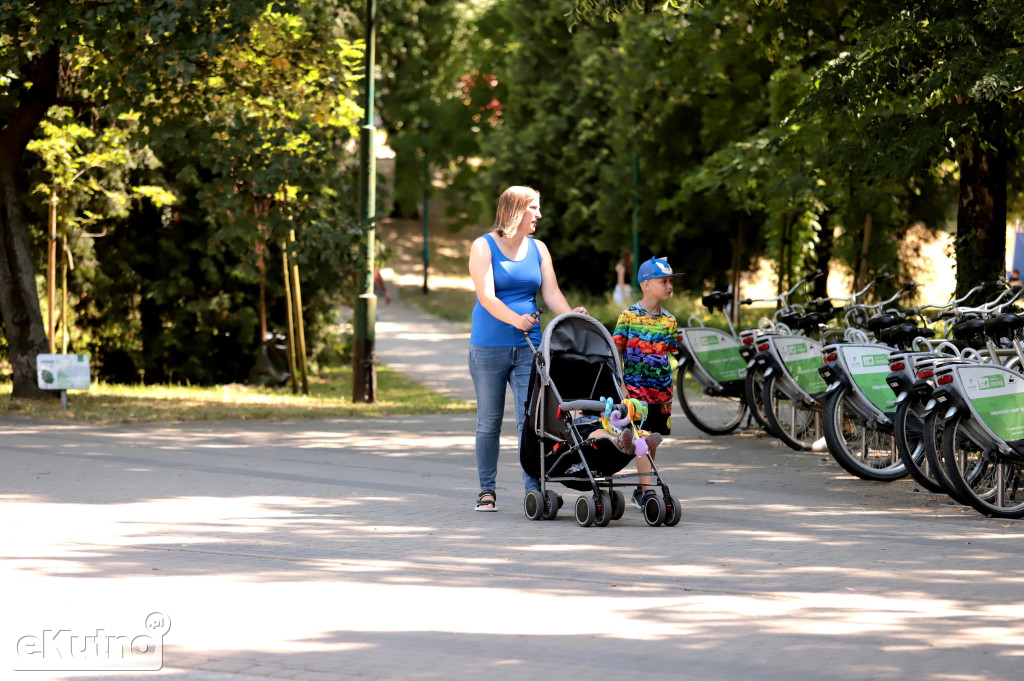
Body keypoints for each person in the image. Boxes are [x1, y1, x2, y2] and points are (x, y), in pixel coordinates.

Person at [468, 186, 587, 512]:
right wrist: (514, 318)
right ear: (516, 210)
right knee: (489, 422)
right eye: (533, 208)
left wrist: (570, 317)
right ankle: (487, 490)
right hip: (489, 346)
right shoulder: (483, 247)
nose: (539, 214)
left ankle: (535, 489)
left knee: (531, 419)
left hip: (529, 346)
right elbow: (486, 296)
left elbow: (551, 293)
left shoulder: (539, 249)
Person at [612, 256, 684, 509]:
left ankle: (642, 490)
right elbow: (615, 351)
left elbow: (671, 351)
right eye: (662, 281)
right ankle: (649, 492)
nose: (668, 286)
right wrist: (620, 383)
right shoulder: (628, 316)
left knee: (652, 440)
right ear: (645, 284)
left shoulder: (670, 321)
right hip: (635, 392)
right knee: (640, 439)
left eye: (670, 281)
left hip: (662, 392)